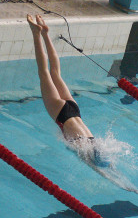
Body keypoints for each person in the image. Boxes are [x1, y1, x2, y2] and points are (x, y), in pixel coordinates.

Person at [27, 14, 108, 167]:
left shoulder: (93, 142)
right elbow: (99, 170)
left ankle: (45, 34)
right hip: (62, 115)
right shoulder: (84, 152)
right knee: (44, 73)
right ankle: (36, 33)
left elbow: (109, 166)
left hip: (74, 109)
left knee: (56, 72)